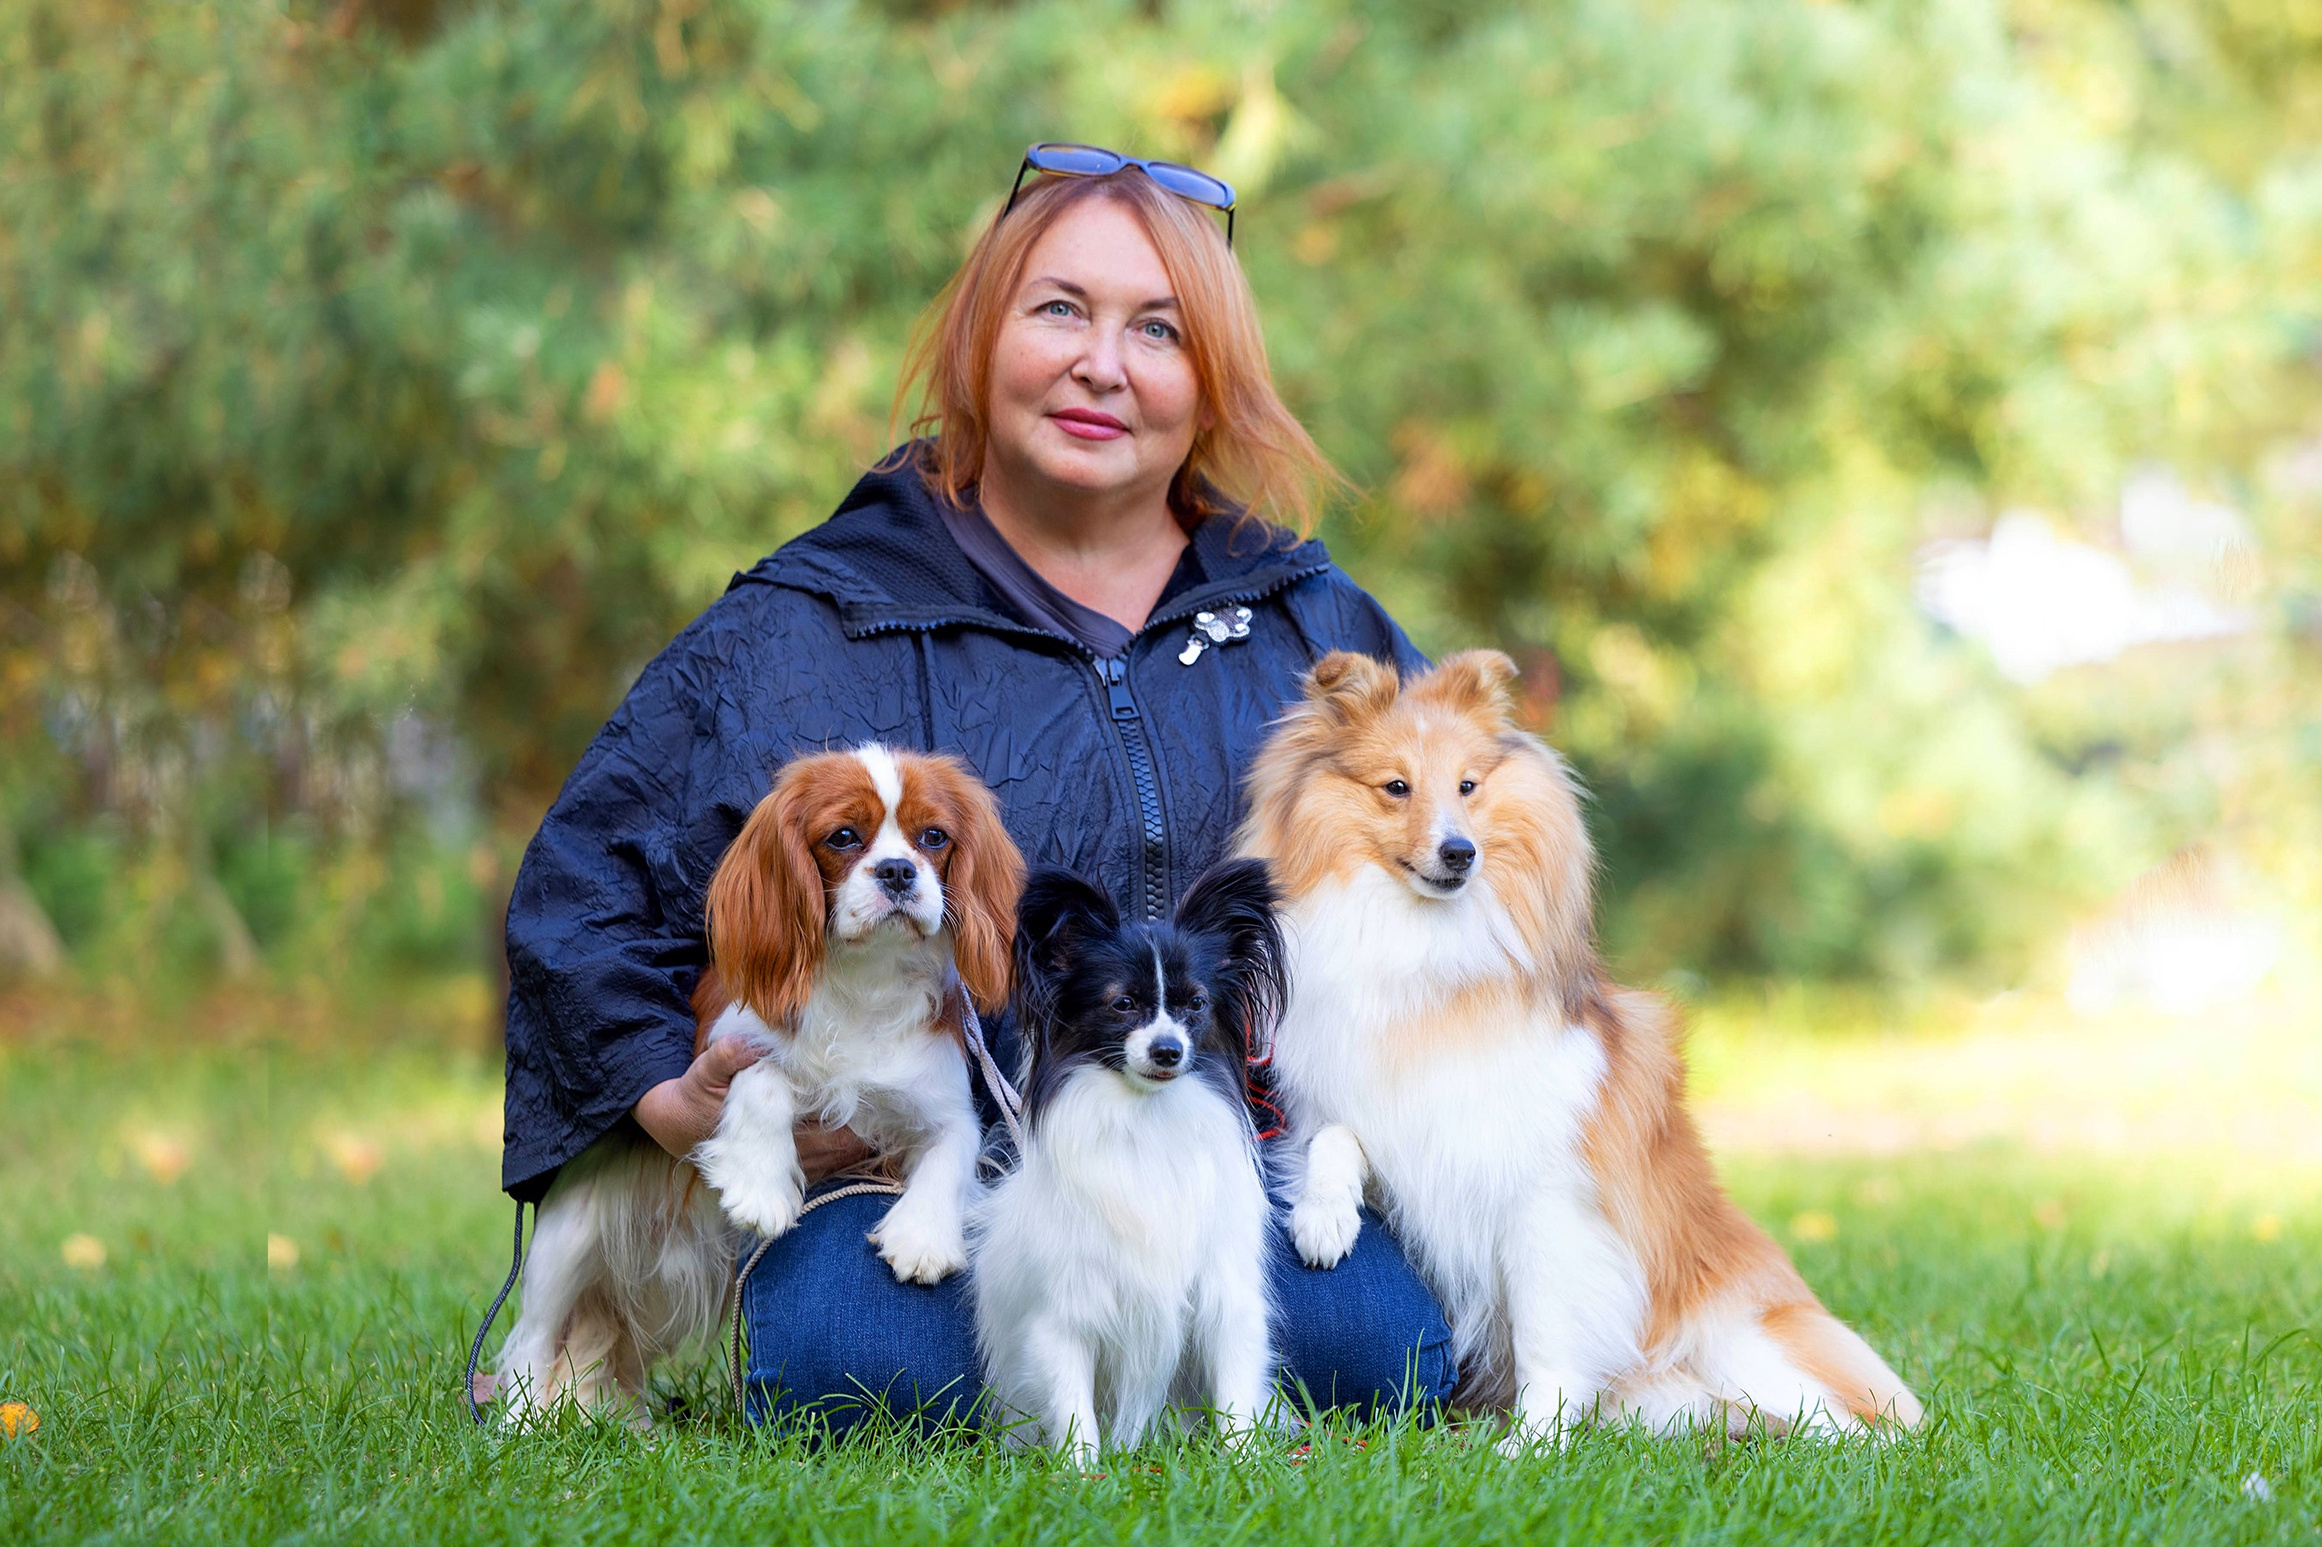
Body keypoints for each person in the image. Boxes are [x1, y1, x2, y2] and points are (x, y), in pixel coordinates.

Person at [498, 145, 1457, 1432]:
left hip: (1222, 1154)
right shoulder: (815, 613)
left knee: (1375, 1342)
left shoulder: (1303, 618)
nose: (1101, 365)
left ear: (1212, 376)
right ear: (977, 337)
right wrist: (666, 1101)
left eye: (1158, 329)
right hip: (913, 1174)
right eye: (1058, 309)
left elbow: (1469, 854)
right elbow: (587, 887)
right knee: (857, 1355)